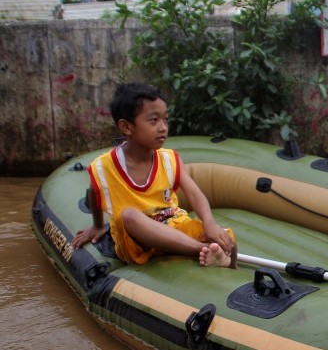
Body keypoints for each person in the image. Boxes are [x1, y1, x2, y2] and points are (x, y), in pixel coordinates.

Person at [70, 82, 236, 268]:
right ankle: (201, 249)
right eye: (153, 120)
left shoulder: (169, 159)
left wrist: (210, 224)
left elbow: (196, 195)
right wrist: (98, 225)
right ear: (126, 127)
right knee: (130, 216)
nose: (163, 127)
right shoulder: (103, 167)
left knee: (226, 237)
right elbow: (94, 192)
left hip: (173, 226)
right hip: (136, 241)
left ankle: (229, 266)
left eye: (165, 120)